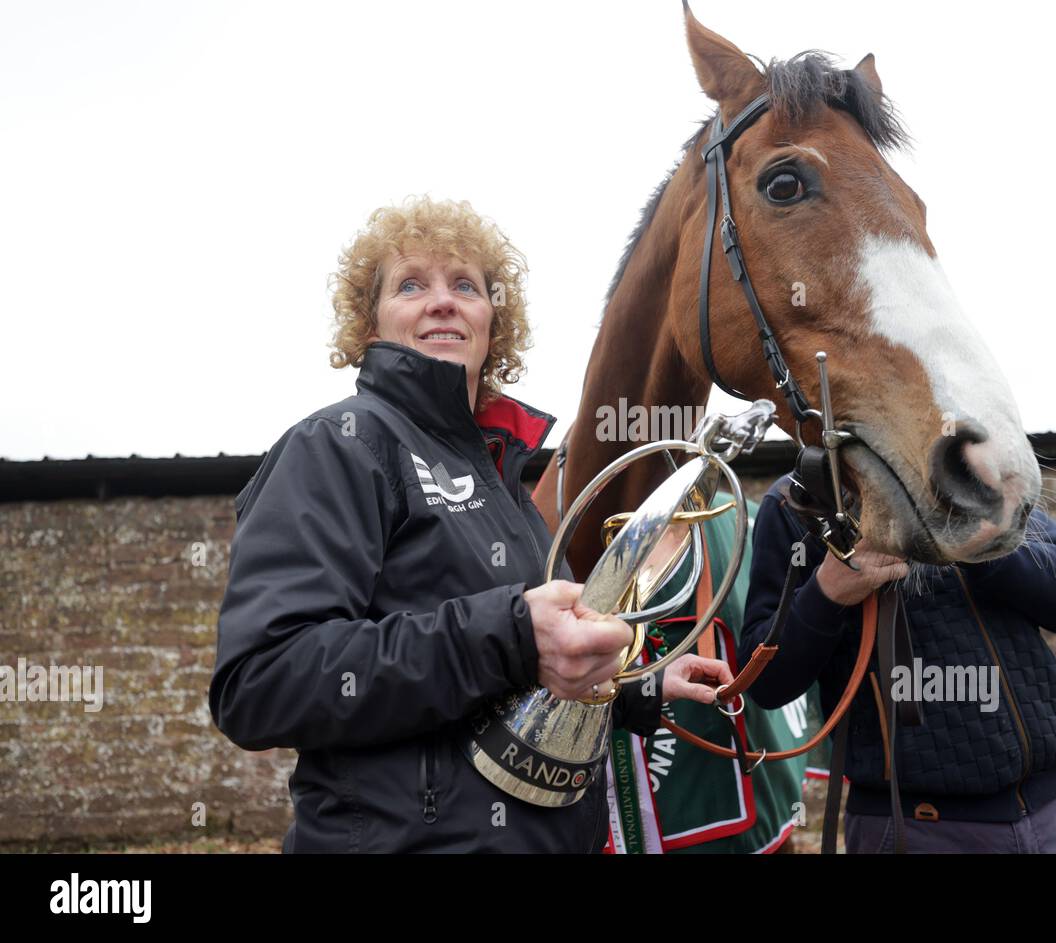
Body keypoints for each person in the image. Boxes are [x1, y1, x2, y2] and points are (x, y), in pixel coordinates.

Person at [209, 196, 731, 853]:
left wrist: (634, 688)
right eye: (410, 285)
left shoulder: (505, 479)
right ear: (370, 328)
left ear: (492, 321)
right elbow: (260, 682)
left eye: (465, 285)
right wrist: (511, 632)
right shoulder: (337, 445)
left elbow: (521, 678)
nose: (443, 301)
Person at [740, 478, 1056, 853]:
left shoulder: (976, 473)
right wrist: (826, 592)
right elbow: (766, 682)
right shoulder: (800, 499)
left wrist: (976, 539)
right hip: (914, 828)